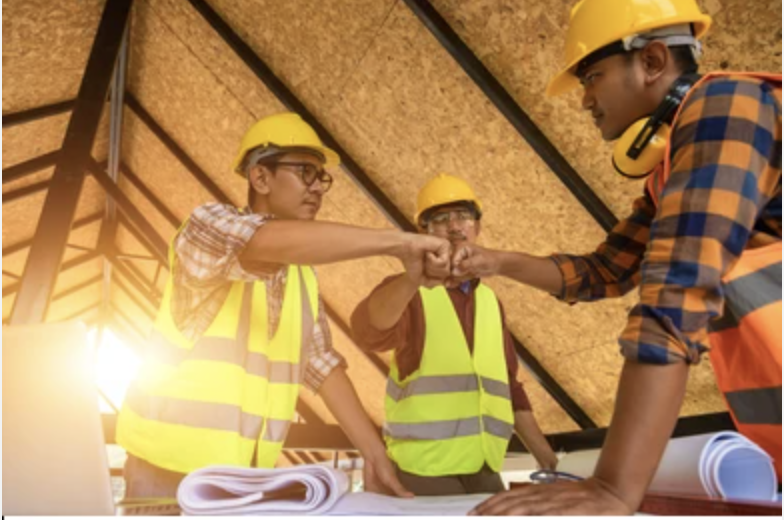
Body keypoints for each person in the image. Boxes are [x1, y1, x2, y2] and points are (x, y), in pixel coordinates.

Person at [464, 0, 781, 514]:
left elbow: (677, 292)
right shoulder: (672, 170)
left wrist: (612, 488)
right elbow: (603, 272)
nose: (585, 100)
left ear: (652, 60)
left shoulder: (726, 106)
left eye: (592, 76)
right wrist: (494, 262)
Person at [116, 113, 451, 499]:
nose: (318, 187)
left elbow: (322, 366)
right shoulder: (206, 228)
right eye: (306, 172)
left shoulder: (302, 276)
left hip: (246, 476)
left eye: (321, 177)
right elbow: (257, 242)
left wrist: (376, 456)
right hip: (167, 470)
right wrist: (400, 243)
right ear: (260, 178)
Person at [351, 173, 558, 496]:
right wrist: (412, 279)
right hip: (423, 469)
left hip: (484, 466)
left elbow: (507, 385)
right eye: (440, 219)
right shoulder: (408, 291)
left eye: (463, 215)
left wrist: (543, 453)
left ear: (477, 226)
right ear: (424, 232)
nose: (454, 226)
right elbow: (369, 333)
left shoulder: (489, 301)